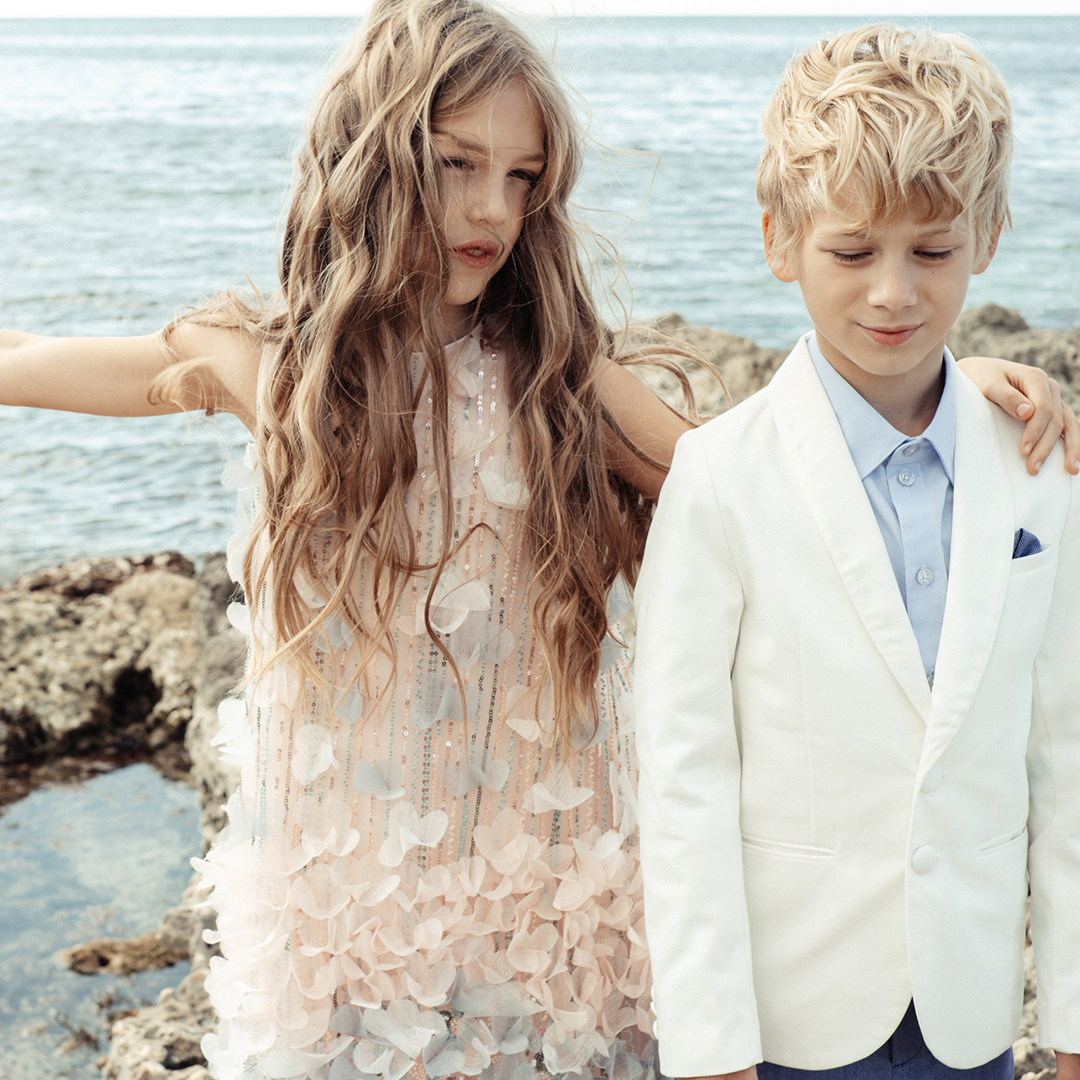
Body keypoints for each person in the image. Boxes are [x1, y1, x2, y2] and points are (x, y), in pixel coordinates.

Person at [0, 6, 1074, 1080]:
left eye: (523, 177)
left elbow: (761, 479)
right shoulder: (271, 364)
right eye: (458, 163)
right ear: (370, 159)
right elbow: (31, 358)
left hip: (547, 904)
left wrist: (942, 401)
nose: (492, 209)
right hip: (341, 913)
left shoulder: (553, 371)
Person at [634, 23, 1080, 1080]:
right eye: (851, 252)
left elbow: (1066, 760)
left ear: (989, 237)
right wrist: (710, 1049)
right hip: (788, 1026)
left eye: (933, 251)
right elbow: (684, 782)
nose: (893, 293)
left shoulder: (1039, 473)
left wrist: (1071, 1025)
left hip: (974, 1021)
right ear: (779, 240)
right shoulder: (720, 477)